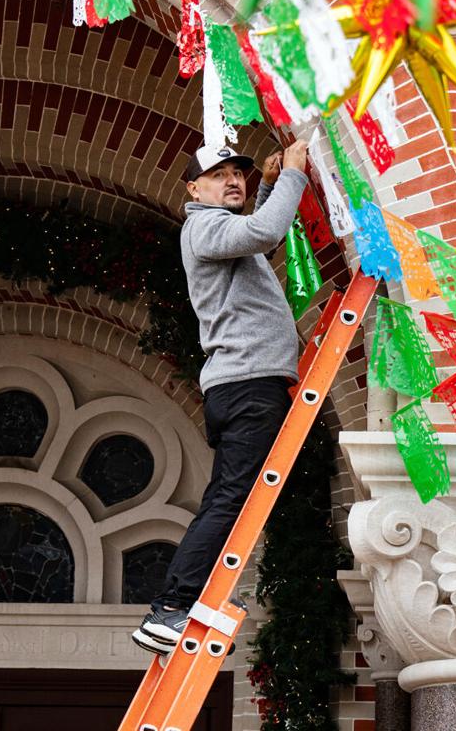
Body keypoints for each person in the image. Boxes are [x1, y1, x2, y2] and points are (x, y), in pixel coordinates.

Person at [132, 139, 308, 654]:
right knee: (231, 498)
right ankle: (171, 607)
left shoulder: (219, 230)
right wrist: (294, 175)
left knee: (229, 496)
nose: (233, 181)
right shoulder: (203, 226)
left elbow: (258, 241)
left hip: (243, 381)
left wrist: (269, 187)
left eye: (238, 173)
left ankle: (182, 604)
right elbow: (265, 232)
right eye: (219, 175)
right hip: (248, 383)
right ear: (194, 189)